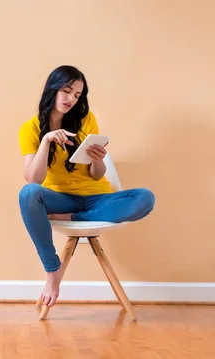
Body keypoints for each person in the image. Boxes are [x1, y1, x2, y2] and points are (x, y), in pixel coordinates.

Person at [18, 65, 155, 308]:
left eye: (77, 95)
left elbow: (96, 175)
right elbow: (33, 180)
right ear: (53, 89)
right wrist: (47, 140)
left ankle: (75, 216)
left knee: (145, 198)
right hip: (59, 197)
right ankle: (53, 271)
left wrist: (98, 160)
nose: (71, 99)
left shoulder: (86, 120)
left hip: (95, 198)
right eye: (67, 91)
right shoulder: (30, 129)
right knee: (28, 194)